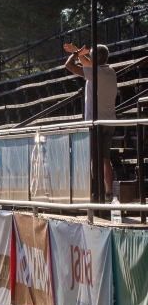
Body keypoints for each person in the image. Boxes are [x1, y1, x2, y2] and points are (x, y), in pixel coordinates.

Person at [64, 43, 117, 201]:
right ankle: (108, 192)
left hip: (96, 122)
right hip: (109, 122)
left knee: (94, 158)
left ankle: (97, 191)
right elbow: (89, 63)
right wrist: (78, 52)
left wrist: (77, 54)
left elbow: (69, 65)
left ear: (94, 58)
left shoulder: (94, 74)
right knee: (105, 158)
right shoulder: (111, 71)